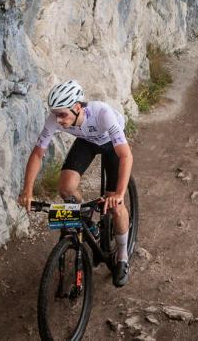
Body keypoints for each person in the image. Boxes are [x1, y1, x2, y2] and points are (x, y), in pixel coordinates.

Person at [17, 79, 134, 287]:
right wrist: (28, 189)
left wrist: (119, 193)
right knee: (66, 189)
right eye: (56, 114)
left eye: (63, 114)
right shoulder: (55, 118)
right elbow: (37, 154)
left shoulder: (102, 113)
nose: (59, 120)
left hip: (110, 144)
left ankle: (123, 257)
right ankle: (87, 221)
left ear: (77, 107)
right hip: (87, 142)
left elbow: (126, 156)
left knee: (116, 206)